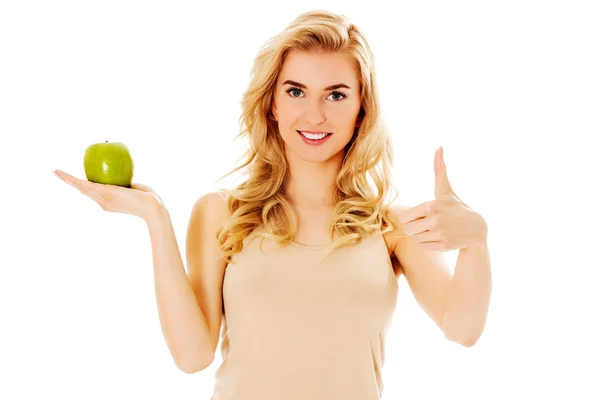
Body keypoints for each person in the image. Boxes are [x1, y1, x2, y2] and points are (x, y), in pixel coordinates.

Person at [53, 9, 491, 400]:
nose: (315, 115)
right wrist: (155, 217)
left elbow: (463, 328)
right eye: (296, 91)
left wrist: (476, 239)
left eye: (336, 94)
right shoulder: (221, 213)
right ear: (272, 105)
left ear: (361, 109)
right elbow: (192, 356)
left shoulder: (389, 228)